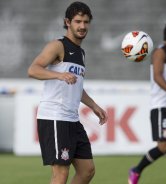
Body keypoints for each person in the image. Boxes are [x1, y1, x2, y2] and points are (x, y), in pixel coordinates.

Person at [28, 2, 108, 184]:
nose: (82, 26)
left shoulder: (81, 53)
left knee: (87, 170)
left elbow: (76, 86)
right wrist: (59, 75)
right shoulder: (58, 46)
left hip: (72, 120)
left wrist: (94, 105)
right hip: (55, 118)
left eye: (86, 22)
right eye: (78, 21)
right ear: (67, 22)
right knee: (61, 174)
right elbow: (33, 70)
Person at [128, 19, 166, 184]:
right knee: (164, 147)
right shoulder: (160, 52)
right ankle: (136, 170)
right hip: (163, 107)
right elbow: (157, 77)